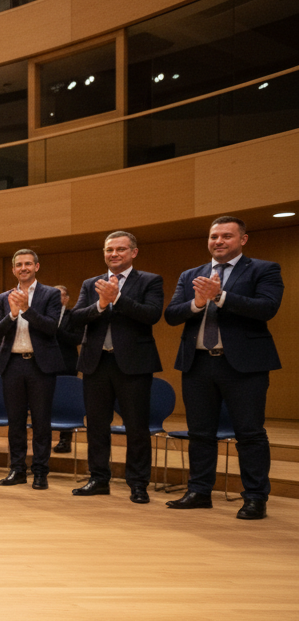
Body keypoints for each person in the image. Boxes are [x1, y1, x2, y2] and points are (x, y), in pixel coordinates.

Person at [163, 216, 282, 520]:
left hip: (244, 367)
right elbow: (173, 315)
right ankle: (199, 491)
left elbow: (267, 307)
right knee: (200, 433)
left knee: (250, 434)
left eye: (226, 236)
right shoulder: (192, 274)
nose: (218, 241)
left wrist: (221, 296)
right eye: (214, 236)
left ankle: (255, 497)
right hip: (198, 363)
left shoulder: (263, 269)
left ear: (243, 240)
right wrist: (198, 303)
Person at [68, 231, 164, 504]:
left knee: (136, 426)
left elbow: (152, 314)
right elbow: (75, 318)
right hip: (96, 364)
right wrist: (100, 304)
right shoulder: (91, 284)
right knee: (97, 425)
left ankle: (138, 483)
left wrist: (118, 299)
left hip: (134, 365)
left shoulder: (149, 280)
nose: (114, 254)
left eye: (120, 249)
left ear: (133, 252)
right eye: (109, 250)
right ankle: (98, 479)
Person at [0, 249, 63, 490]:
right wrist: (12, 314)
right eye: (19, 265)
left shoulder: (50, 294)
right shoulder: (4, 297)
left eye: (28, 264)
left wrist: (27, 310)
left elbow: (52, 327)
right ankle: (17, 470)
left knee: (42, 421)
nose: (24, 268)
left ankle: (40, 472)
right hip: (12, 365)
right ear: (13, 269)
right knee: (16, 421)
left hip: (39, 366)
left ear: (37, 267)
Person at [52, 285, 82, 454]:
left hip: (67, 363)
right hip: (44, 364)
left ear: (66, 299)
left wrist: (56, 330)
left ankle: (65, 439)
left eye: (59, 295)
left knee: (65, 401)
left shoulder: (73, 316)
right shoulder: (42, 315)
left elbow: (77, 339)